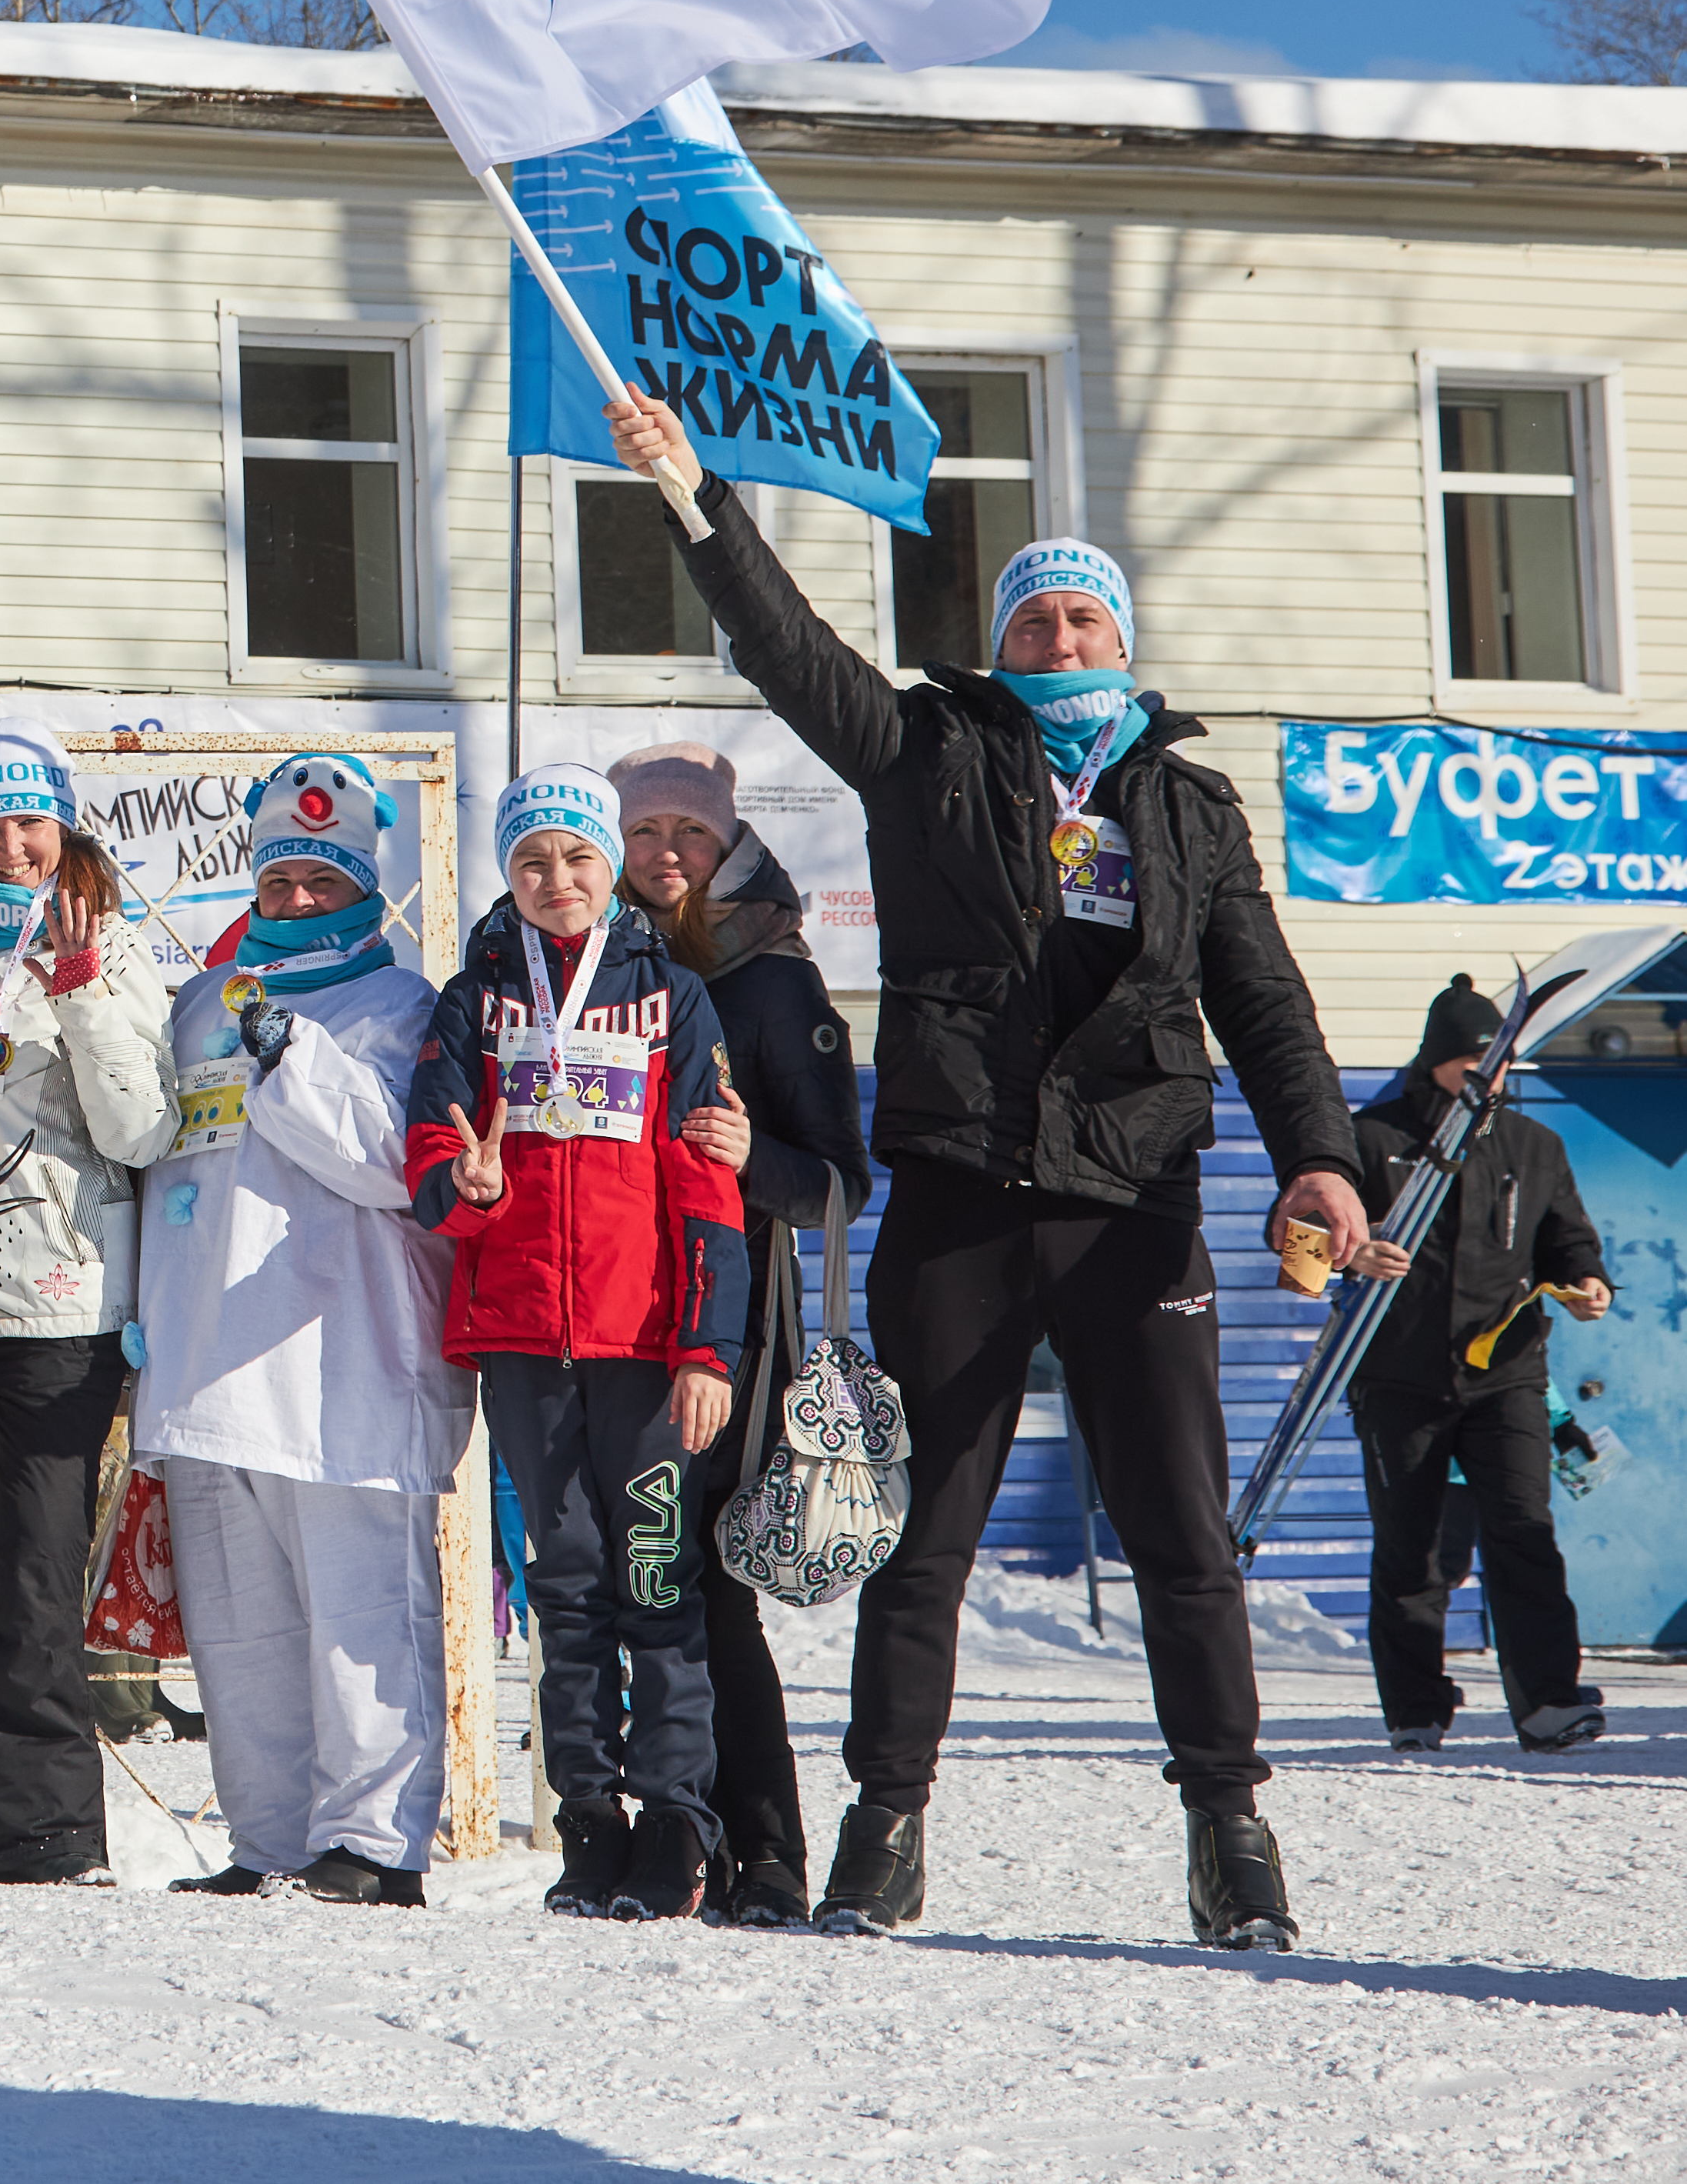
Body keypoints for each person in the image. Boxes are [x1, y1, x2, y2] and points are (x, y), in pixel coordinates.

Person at [608, 392, 1377, 1949]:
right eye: (1034, 610)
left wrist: (1321, 1156)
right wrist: (694, 496)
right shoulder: (925, 746)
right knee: (920, 1534)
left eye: (1083, 608)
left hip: (1132, 1197)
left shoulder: (1184, 800)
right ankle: (882, 1828)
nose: (1058, 625)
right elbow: (785, 644)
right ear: (1003, 642)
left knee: (1180, 1531)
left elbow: (1267, 999)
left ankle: (1228, 1825)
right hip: (957, 1190)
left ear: (1123, 641)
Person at [406, 764, 750, 1928]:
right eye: (530, 862)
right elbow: (427, 1159)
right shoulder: (475, 995)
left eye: (576, 858)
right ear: (506, 875)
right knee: (564, 1588)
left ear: (611, 869)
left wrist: (709, 1349)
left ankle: (675, 1830)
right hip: (522, 1342)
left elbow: (709, 1184)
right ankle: (588, 1825)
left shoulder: (674, 996)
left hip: (648, 1345)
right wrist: (469, 1184)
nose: (556, 881)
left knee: (655, 1583)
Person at [133, 752, 464, 1909]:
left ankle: (373, 1843)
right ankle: (269, 1838)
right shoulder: (196, 1006)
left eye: (323, 884)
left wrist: (290, 1051)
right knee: (241, 1633)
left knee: (361, 1616)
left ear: (364, 889)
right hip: (207, 1359)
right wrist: (146, 1319)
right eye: (280, 885)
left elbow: (392, 1163)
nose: (298, 904)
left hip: (345, 1364)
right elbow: (164, 1168)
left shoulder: (406, 1007)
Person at [0, 721, 172, 1887]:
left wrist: (81, 993)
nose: (11, 846)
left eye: (30, 823)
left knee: (26, 1580)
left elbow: (143, 1129)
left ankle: (48, 1830)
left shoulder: (113, 947)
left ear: (65, 826)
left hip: (60, 1309)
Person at [609, 740, 869, 1929]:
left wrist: (749, 1157)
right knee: (611, 1588)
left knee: (709, 1590)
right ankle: (648, 1835)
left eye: (691, 837)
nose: (667, 855)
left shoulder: (774, 982)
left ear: (729, 849)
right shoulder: (584, 965)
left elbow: (839, 1186)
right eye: (647, 834)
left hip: (728, 1330)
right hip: (598, 1321)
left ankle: (766, 1855)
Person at [1349, 975, 1612, 1756]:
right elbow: (1297, 1232)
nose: (1490, 1078)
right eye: (1474, 1061)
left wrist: (1589, 1282)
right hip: (1399, 1376)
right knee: (1413, 1544)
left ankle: (1549, 1702)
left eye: (1499, 1063)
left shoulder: (1535, 1145)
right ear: (1437, 1060)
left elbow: (1570, 1239)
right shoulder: (1370, 1136)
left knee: (1524, 1534)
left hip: (1509, 1372)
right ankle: (1415, 1705)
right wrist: (1349, 1249)